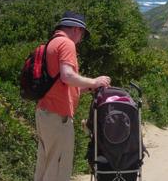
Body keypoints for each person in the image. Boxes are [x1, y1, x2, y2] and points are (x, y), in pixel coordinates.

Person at [35, 11, 111, 181]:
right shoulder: (66, 44)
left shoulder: (51, 44)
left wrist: (88, 88)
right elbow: (67, 76)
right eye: (82, 34)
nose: (81, 39)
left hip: (45, 113)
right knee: (58, 167)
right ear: (77, 29)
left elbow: (61, 85)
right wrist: (94, 81)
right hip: (57, 116)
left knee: (46, 164)